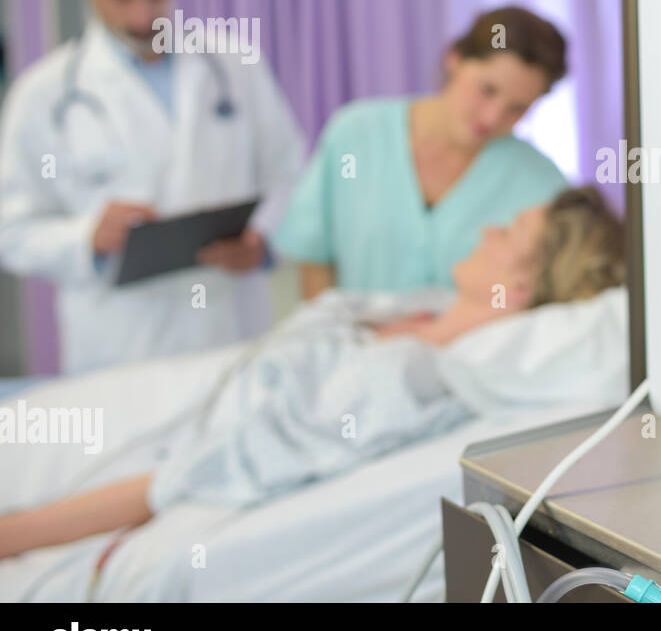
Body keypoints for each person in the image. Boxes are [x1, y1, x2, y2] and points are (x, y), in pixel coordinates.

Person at [0, 187, 625, 559]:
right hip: (165, 417)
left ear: (518, 287)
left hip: (149, 476)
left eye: (508, 232)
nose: (487, 228)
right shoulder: (416, 308)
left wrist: (19, 534)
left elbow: (212, 466)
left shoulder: (409, 374)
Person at [0, 0, 306, 374]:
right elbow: (12, 229)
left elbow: (288, 173)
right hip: (121, 340)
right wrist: (87, 237)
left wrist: (263, 240)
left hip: (227, 326)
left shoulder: (233, 65)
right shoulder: (45, 94)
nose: (143, 15)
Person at [272, 6, 570, 299]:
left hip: (479, 348)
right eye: (487, 90)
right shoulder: (355, 136)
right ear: (455, 59)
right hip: (356, 344)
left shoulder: (541, 184)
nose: (492, 118)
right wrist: (328, 341)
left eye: (517, 108)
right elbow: (315, 259)